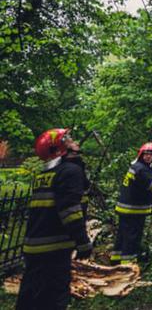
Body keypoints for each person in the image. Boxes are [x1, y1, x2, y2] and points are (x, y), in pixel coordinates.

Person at [17, 129, 92, 310]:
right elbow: (70, 211)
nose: (73, 141)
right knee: (54, 298)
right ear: (58, 149)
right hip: (54, 248)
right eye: (67, 139)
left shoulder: (45, 175)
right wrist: (82, 242)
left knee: (31, 298)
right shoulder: (69, 171)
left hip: (35, 246)